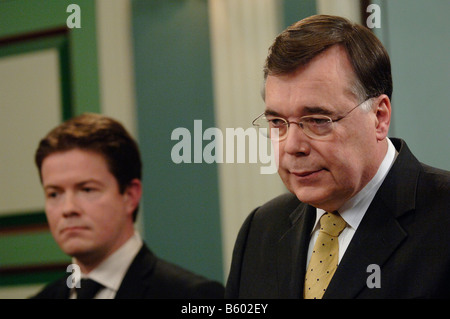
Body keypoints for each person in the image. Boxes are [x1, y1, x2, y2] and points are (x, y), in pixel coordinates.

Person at [225, 15, 450, 299]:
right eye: (278, 122)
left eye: (317, 120)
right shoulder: (261, 230)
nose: (293, 145)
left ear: (379, 117)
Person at [32, 113, 224, 299]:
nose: (68, 208)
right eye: (54, 194)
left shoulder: (193, 296)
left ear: (130, 196)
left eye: (87, 189)